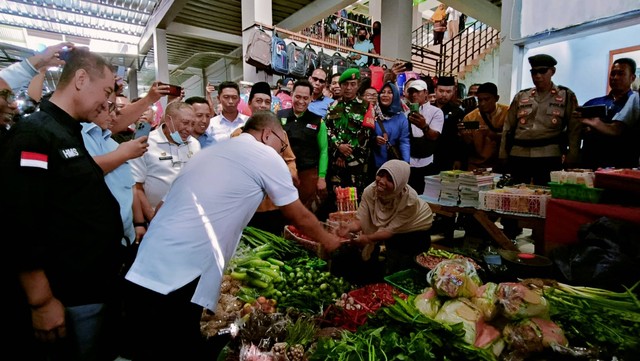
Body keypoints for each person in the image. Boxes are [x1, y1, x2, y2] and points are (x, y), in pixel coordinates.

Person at [124, 111, 342, 361]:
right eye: (282, 145)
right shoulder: (264, 154)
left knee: (151, 345)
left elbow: (164, 205)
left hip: (145, 263)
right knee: (178, 346)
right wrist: (329, 240)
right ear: (267, 134)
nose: (282, 153)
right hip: (182, 270)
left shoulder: (210, 153)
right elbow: (298, 215)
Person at [0, 47, 123, 360]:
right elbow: (20, 220)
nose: (107, 102)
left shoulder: (68, 132)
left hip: (91, 287)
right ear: (81, 79)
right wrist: (40, 301)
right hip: (65, 295)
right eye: (107, 91)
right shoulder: (35, 134)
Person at [334, 160, 434, 284]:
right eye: (380, 175)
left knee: (407, 270)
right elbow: (361, 220)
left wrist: (367, 238)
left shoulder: (409, 201)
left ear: (399, 183)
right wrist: (348, 227)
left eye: (390, 179)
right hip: (393, 233)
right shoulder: (370, 191)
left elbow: (389, 231)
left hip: (415, 231)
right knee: (391, 264)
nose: (381, 181)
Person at [499, 54, 580, 185]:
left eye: (542, 71)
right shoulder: (521, 96)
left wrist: (573, 155)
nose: (537, 76)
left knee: (545, 194)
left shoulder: (566, 95)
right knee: (516, 194)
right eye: (534, 72)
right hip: (519, 153)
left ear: (552, 71)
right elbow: (508, 127)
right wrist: (503, 153)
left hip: (549, 154)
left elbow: (574, 129)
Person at [130, 101, 201, 223]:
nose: (189, 129)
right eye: (185, 123)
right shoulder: (145, 143)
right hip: (153, 218)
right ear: (169, 120)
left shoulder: (194, 144)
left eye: (193, 124)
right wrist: (153, 219)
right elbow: (136, 186)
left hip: (186, 216)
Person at [247, 81, 298, 235]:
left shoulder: (280, 134)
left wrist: (288, 174)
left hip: (276, 205)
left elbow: (290, 159)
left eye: (267, 102)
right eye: (258, 101)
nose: (263, 105)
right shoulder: (238, 135)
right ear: (249, 104)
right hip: (250, 208)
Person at [324, 68, 376, 202]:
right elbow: (327, 130)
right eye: (345, 84)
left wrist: (345, 153)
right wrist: (338, 147)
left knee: (355, 200)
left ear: (358, 85)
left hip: (356, 164)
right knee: (336, 199)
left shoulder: (366, 106)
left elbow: (365, 133)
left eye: (352, 84)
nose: (348, 88)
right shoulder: (332, 106)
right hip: (336, 163)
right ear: (340, 86)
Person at [277, 79, 328, 212]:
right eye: (298, 97)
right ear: (292, 94)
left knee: (305, 213)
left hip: (308, 175)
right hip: (283, 173)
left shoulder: (318, 121)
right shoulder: (279, 116)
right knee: (283, 211)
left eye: (305, 98)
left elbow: (323, 150)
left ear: (311, 98)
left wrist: (321, 177)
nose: (301, 101)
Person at [578, 58, 637, 169]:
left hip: (623, 166)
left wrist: (598, 126)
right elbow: (576, 132)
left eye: (621, 74)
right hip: (590, 165)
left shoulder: (635, 104)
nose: (615, 77)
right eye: (613, 73)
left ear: (632, 78)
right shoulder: (592, 103)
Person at [458, 82, 508, 171]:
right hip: (476, 166)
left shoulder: (507, 113)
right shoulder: (470, 117)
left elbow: (512, 138)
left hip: (501, 166)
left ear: (496, 98)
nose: (483, 103)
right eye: (480, 100)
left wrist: (492, 134)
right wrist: (465, 137)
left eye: (486, 99)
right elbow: (466, 146)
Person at [406, 79, 445, 193]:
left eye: (418, 92)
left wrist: (424, 126)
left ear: (426, 93)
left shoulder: (435, 112)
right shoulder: (405, 113)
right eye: (412, 92)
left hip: (428, 162)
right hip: (410, 162)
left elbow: (434, 136)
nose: (414, 95)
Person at [372, 82, 410, 168]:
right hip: (373, 163)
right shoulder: (372, 113)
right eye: (383, 92)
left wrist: (406, 163)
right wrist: (374, 139)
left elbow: (404, 142)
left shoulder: (401, 118)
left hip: (393, 164)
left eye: (389, 92)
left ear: (395, 96)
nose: (385, 95)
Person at [433, 76, 466, 172]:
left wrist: (458, 159)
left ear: (454, 92)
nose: (444, 94)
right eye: (441, 91)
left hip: (449, 156)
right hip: (430, 155)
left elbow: (460, 139)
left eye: (448, 92)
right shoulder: (429, 108)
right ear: (435, 90)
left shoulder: (458, 112)